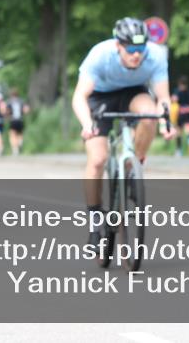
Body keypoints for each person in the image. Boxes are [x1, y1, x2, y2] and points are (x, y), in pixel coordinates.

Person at [72, 17, 174, 245]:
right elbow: (80, 96)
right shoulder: (100, 55)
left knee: (149, 115)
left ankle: (133, 165)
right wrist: (87, 123)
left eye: (140, 48)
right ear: (118, 45)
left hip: (133, 92)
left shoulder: (156, 55)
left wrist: (166, 123)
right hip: (100, 97)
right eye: (130, 49)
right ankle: (95, 221)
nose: (136, 54)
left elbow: (163, 97)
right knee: (98, 159)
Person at [171, 76, 189, 157]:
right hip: (187, 115)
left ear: (179, 83)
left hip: (179, 115)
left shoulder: (176, 91)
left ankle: (179, 151)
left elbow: (173, 100)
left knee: (179, 134)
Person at [6, 88, 30, 156]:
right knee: (20, 133)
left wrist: (7, 116)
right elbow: (26, 110)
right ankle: (20, 143)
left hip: (13, 120)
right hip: (20, 119)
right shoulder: (21, 101)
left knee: (12, 135)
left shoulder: (9, 101)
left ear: (11, 95)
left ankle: (15, 149)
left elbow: (7, 111)